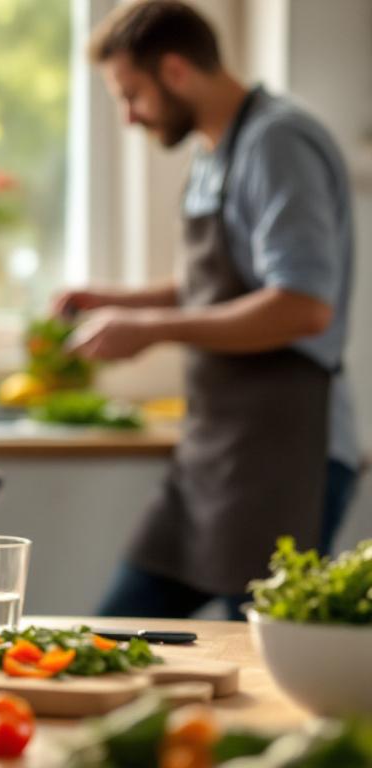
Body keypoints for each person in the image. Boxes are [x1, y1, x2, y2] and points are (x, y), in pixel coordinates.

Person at [55, 0, 359, 620]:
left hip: (287, 454)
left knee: (257, 664)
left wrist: (148, 331)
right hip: (215, 450)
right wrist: (115, 300)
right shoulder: (213, 151)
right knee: (113, 631)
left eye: (130, 94)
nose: (129, 117)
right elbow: (214, 285)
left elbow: (302, 307)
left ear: (174, 71)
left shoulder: (278, 141)